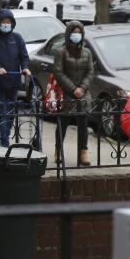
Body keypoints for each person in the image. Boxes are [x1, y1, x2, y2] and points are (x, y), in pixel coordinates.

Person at [0, 9, 30, 147]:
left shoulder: (17, 38)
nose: (6, 25)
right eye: (3, 22)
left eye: (8, 22)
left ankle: (5, 135)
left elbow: (24, 56)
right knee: (1, 112)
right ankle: (4, 141)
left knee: (11, 113)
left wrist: (25, 67)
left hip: (13, 82)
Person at [51, 21, 94, 166]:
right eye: (74, 32)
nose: (77, 35)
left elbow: (90, 71)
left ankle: (83, 152)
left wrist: (82, 88)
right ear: (69, 34)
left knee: (83, 123)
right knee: (63, 123)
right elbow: (58, 72)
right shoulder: (61, 52)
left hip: (83, 93)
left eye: (79, 32)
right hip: (66, 93)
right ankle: (58, 150)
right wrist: (72, 89)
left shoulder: (87, 52)